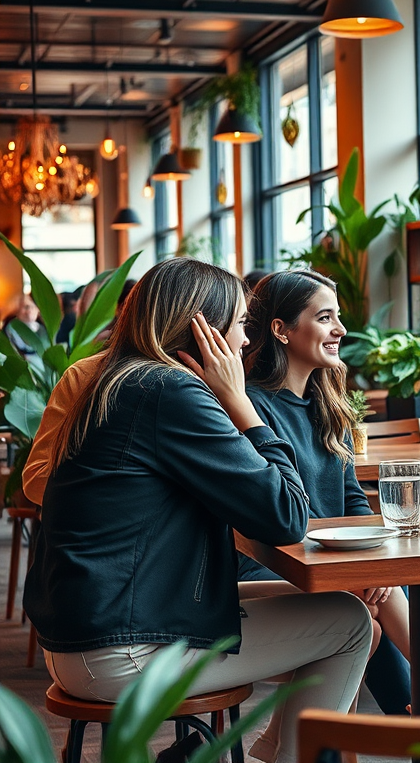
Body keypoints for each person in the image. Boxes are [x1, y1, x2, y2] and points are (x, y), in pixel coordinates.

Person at [23, 258, 373, 763]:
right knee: (349, 622)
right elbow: (287, 516)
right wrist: (242, 405)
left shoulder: (118, 381)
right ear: (202, 331)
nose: (246, 344)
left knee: (339, 604)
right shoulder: (171, 390)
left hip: (85, 631)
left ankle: (279, 751)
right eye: (238, 327)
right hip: (123, 648)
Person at [242, 269, 420, 717]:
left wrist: (374, 565)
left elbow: (353, 499)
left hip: (333, 562)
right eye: (325, 317)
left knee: (379, 595)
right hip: (272, 563)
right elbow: (272, 516)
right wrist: (360, 572)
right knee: (375, 606)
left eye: (338, 317)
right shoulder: (251, 408)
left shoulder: (327, 403)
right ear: (280, 329)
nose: (341, 329)